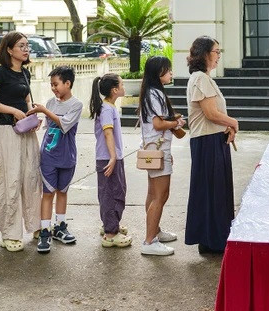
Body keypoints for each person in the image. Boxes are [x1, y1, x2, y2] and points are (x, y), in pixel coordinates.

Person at [0, 31, 41, 253]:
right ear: (9, 49)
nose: (26, 49)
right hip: (7, 133)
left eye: (27, 46)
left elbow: (26, 99)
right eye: (21, 46)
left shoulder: (25, 73)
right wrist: (13, 111)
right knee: (9, 183)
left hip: (26, 133)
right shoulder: (0, 73)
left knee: (31, 180)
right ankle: (10, 233)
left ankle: (35, 226)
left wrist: (31, 115)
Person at [184, 36, 239, 254]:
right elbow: (211, 113)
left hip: (213, 138)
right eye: (216, 52)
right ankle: (213, 240)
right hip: (207, 141)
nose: (218, 56)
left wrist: (228, 126)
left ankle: (212, 238)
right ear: (205, 54)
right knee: (211, 191)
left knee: (215, 190)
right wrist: (233, 122)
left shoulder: (204, 78)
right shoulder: (200, 79)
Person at [28, 66, 83, 254]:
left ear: (68, 84)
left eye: (56, 84)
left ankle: (60, 226)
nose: (53, 88)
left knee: (62, 191)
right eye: (51, 85)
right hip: (49, 156)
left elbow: (64, 124)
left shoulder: (76, 105)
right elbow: (50, 125)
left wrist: (44, 111)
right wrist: (38, 120)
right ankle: (45, 231)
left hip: (67, 156)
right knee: (48, 193)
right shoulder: (51, 103)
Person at [138, 56, 185, 256]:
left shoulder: (149, 92)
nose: (171, 73)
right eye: (168, 70)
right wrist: (176, 124)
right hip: (158, 149)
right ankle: (150, 241)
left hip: (153, 149)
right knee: (161, 195)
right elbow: (158, 124)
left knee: (152, 193)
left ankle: (154, 231)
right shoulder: (154, 94)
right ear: (159, 73)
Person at [90, 73, 131, 248]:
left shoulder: (109, 107)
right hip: (108, 158)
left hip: (113, 157)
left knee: (116, 191)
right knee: (111, 194)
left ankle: (111, 224)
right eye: (122, 84)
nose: (124, 87)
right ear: (115, 90)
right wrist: (113, 157)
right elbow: (108, 133)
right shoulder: (107, 109)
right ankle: (110, 233)